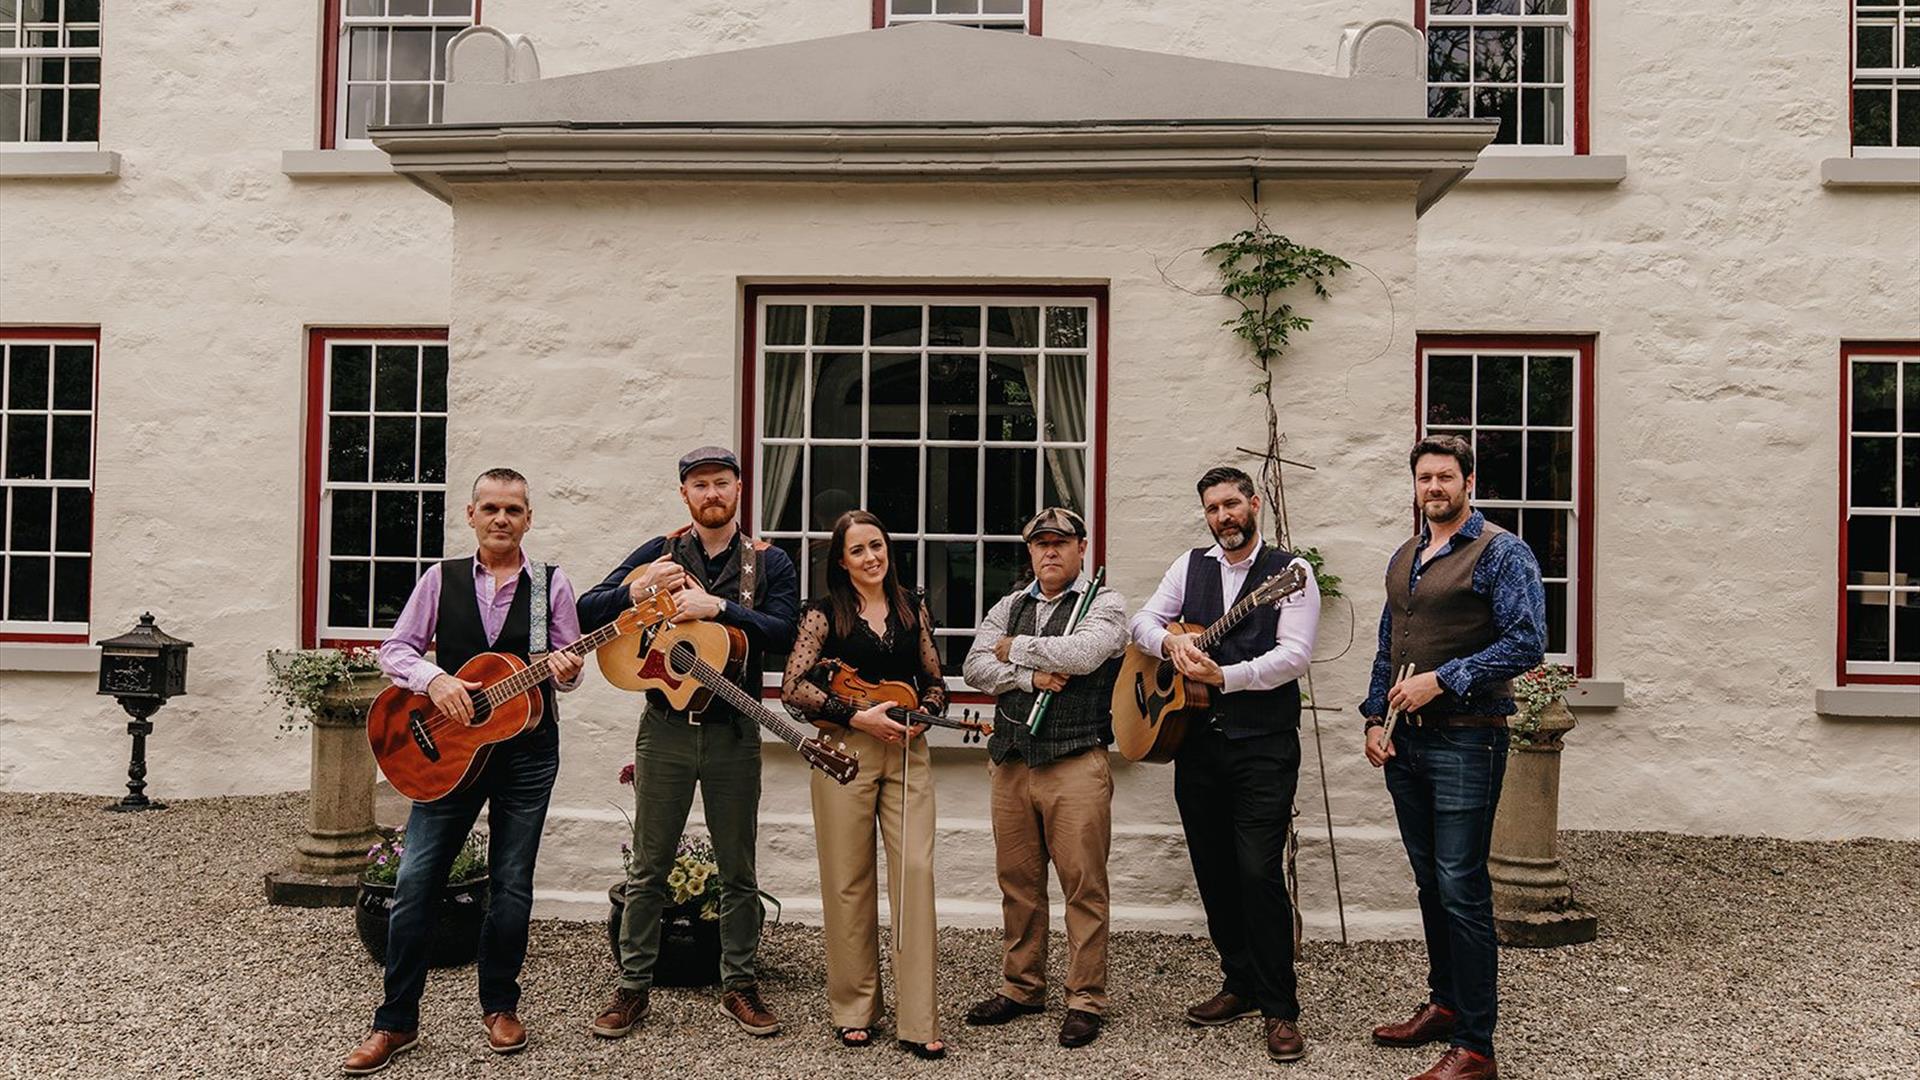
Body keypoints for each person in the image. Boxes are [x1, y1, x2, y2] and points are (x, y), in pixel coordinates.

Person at [344, 468, 585, 1074]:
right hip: (444, 753)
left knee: (511, 883)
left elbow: (571, 664)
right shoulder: (440, 578)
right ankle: (394, 1022)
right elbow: (396, 650)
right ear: (471, 515)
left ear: (528, 518)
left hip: (527, 753)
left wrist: (566, 669)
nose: (502, 518)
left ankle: (500, 1005)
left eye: (514, 509)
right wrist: (438, 679)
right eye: (491, 508)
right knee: (417, 880)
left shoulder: (547, 587)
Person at [580, 447, 799, 1041]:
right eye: (699, 485)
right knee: (649, 865)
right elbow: (584, 610)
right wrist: (638, 589)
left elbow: (786, 631)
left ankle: (740, 983)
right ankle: (631, 989)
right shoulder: (659, 553)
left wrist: (720, 607)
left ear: (738, 489)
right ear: (684, 494)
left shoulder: (769, 562)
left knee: (738, 865)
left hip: (734, 728)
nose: (711, 494)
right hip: (665, 729)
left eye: (721, 483)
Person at [1361, 435, 1545, 1080]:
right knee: (1429, 883)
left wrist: (1444, 678)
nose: (1434, 487)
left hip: (1468, 737)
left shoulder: (1502, 552)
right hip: (1405, 741)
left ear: (1468, 481)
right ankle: (1443, 1004)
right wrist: (1374, 718)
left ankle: (1475, 1048)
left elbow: (1528, 642)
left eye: (1445, 477)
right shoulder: (1407, 554)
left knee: (1462, 888)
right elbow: (1391, 644)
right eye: (1424, 478)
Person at [1127, 465, 1321, 1064]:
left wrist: (1226, 676)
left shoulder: (1290, 574)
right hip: (1197, 746)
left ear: (1254, 504)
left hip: (1263, 748)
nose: (1223, 518)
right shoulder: (1191, 566)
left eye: (1232, 505)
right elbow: (1142, 621)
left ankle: (1280, 1008)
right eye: (1213, 509)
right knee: (1212, 869)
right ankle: (1238, 982)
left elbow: (1294, 656)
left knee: (1257, 872)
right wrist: (1171, 645)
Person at [780, 510, 949, 1060]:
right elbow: (793, 689)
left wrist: (923, 712)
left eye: (877, 546)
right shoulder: (822, 614)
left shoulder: (911, 605)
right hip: (843, 752)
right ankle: (855, 1008)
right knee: (848, 879)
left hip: (906, 753)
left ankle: (919, 1016)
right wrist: (856, 715)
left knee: (915, 875)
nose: (871, 557)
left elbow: (935, 683)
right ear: (841, 560)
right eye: (857, 551)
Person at [960, 507, 1128, 1049]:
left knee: (1083, 886)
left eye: (1061, 542)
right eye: (1040, 543)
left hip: (1075, 762)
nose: (1050, 552)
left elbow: (1083, 655)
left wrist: (1012, 648)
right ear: (1029, 550)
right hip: (1012, 762)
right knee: (1018, 885)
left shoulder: (1104, 603)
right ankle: (1022, 986)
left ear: (1082, 548)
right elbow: (973, 667)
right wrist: (1030, 675)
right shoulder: (1010, 603)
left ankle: (1085, 999)